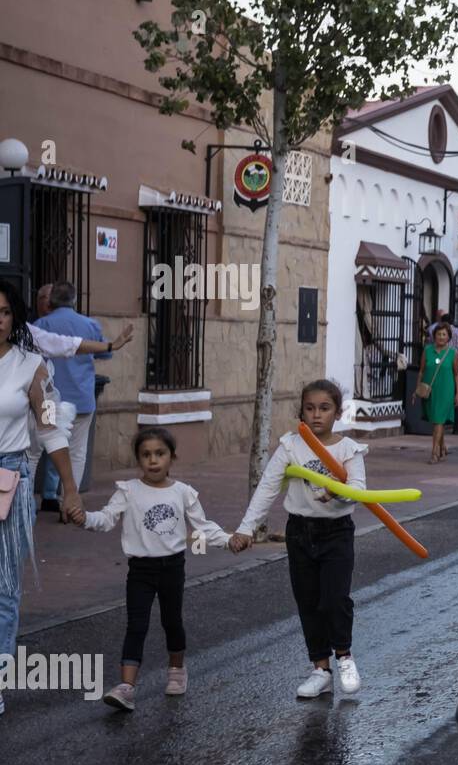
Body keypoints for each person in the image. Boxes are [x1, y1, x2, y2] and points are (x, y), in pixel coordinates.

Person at [73, 427, 230, 711]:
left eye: (160, 453)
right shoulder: (128, 491)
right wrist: (84, 518)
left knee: (172, 621)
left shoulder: (183, 492)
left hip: (172, 567)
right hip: (140, 571)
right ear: (138, 460)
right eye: (146, 455)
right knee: (136, 625)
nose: (153, 460)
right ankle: (126, 688)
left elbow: (203, 528)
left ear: (172, 457)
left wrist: (231, 541)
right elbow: (107, 519)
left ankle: (177, 671)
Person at [229, 380, 367, 698]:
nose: (317, 415)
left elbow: (359, 488)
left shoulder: (349, 448)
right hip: (300, 532)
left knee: (335, 599)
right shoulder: (291, 445)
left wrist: (339, 491)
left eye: (324, 408)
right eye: (310, 408)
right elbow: (268, 487)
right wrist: (247, 528)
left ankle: (344, 656)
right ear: (301, 411)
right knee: (308, 601)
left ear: (338, 411)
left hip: (336, 533)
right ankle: (320, 668)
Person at [0, 281, 84, 717]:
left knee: (4, 585)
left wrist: (69, 487)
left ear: (14, 318)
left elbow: (50, 426)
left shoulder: (32, 367)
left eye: (3, 312)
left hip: (8, 481)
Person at [31, 281, 113, 514]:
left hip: (49, 398)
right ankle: (71, 502)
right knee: (76, 452)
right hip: (81, 398)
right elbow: (105, 353)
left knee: (46, 446)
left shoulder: (41, 324)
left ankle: (47, 496)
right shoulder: (90, 324)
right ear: (74, 301)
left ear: (51, 301)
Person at [414, 322, 458, 463]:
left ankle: (434, 453)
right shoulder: (427, 351)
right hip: (430, 390)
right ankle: (443, 446)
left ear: (448, 337)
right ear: (434, 336)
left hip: (446, 390)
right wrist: (417, 389)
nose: (441, 337)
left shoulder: (453, 353)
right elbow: (421, 371)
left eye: (444, 334)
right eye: (438, 334)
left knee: (439, 420)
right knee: (436, 421)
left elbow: (456, 374)